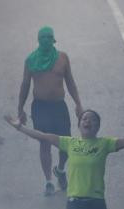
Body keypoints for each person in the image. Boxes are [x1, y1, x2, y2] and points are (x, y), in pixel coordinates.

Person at [17, 27, 84, 196]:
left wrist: (78, 104)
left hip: (58, 106)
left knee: (65, 144)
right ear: (38, 40)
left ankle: (60, 169)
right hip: (40, 107)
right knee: (44, 142)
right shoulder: (31, 60)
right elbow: (25, 85)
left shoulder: (62, 58)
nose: (46, 40)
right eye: (43, 37)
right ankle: (48, 181)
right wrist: (20, 109)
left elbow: (70, 82)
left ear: (54, 39)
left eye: (49, 37)